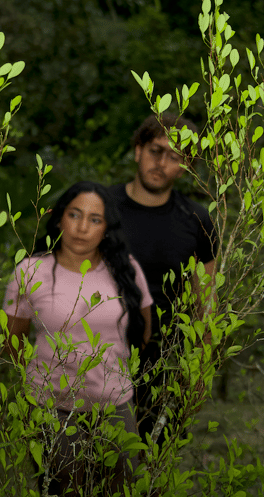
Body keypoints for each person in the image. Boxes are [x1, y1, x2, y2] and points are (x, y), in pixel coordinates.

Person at [3, 181, 153, 497]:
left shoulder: (126, 269)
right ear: (59, 219)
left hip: (115, 407)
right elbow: (13, 342)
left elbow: (145, 331)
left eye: (95, 219)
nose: (83, 227)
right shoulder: (30, 271)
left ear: (106, 228)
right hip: (53, 410)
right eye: (75, 215)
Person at [108, 113, 218, 444]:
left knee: (149, 467)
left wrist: (198, 373)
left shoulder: (197, 220)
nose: (162, 163)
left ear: (186, 167)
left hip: (163, 367)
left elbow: (206, 302)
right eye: (156, 151)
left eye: (175, 157)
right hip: (95, 362)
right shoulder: (100, 209)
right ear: (138, 150)